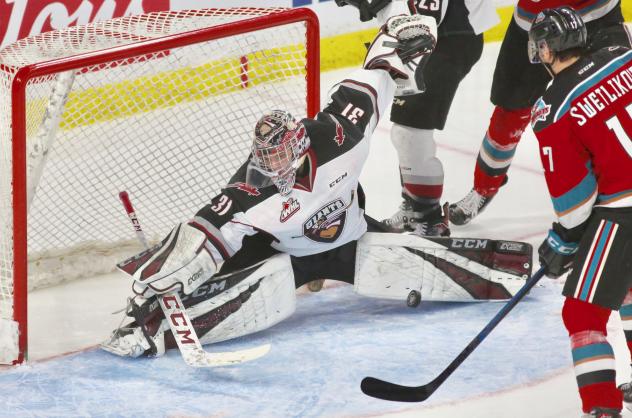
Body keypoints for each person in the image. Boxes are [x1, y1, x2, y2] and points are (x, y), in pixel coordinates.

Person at [100, 14, 532, 360]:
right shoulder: (249, 189)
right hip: (286, 254)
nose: (270, 166)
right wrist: (162, 280)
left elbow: (376, 75)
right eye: (264, 158)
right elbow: (204, 233)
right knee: (233, 282)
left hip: (350, 236)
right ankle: (146, 327)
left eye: (277, 157)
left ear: (301, 146)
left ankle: (496, 271)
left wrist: (397, 34)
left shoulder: (342, 131)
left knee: (411, 262)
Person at [529, 7, 632, 417]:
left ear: (549, 49)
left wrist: (562, 241)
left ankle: (602, 407)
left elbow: (574, 207)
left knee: (582, 315)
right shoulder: (622, 56)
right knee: (627, 288)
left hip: (623, 212)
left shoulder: (552, 108)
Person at [449, 0, 631, 226]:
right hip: (534, 27)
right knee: (509, 113)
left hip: (597, 17)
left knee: (619, 96)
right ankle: (483, 188)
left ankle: (618, 196)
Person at [337, 0, 500, 236]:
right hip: (423, 33)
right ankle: (416, 208)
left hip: (449, 36)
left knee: (409, 132)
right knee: (405, 131)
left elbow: (427, 12)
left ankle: (429, 217)